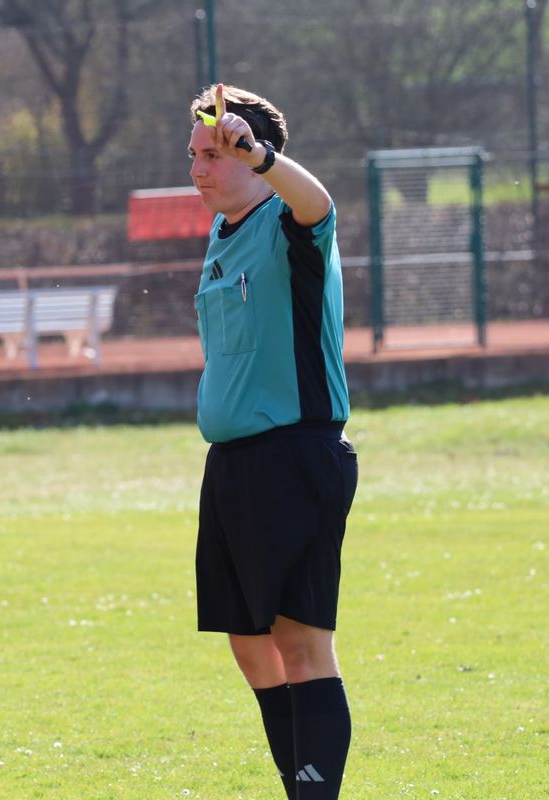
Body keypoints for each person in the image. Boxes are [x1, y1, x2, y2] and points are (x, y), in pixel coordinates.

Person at [189, 83, 358, 800]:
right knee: (250, 646)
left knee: (300, 643)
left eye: (215, 154)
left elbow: (319, 203)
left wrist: (258, 156)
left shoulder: (291, 222)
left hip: (295, 458)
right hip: (233, 466)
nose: (199, 167)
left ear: (254, 155)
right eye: (195, 153)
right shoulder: (221, 232)